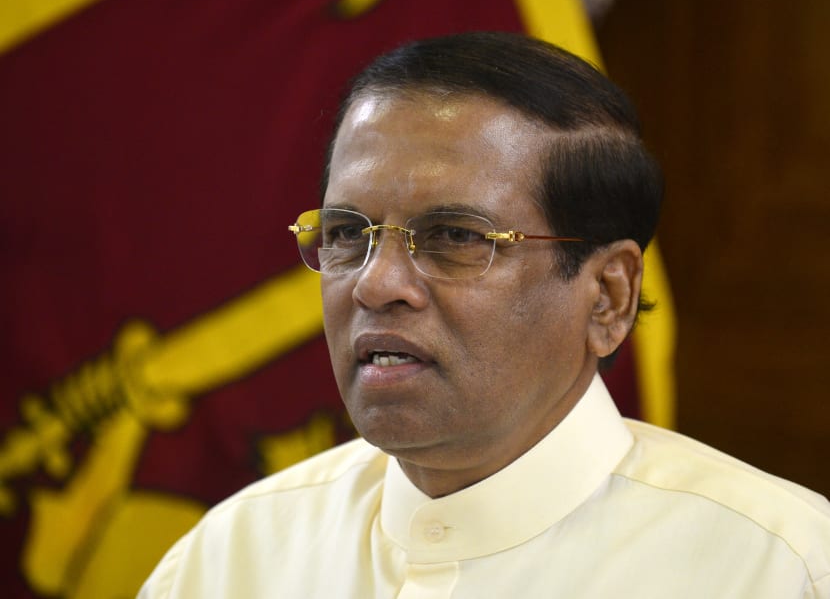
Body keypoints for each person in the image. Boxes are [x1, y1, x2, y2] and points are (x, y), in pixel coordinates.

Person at [139, 32, 830, 598]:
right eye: (348, 232)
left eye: (456, 238)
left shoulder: (779, 569)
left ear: (607, 297)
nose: (375, 286)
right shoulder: (226, 564)